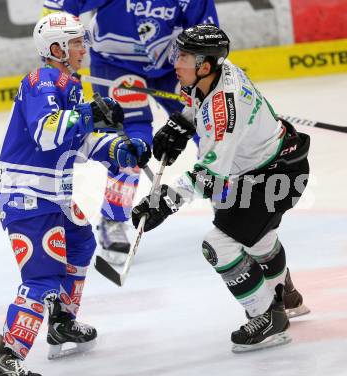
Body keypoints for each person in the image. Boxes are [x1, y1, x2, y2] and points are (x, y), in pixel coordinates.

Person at [131, 24, 310, 353]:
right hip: (271, 167)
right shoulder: (218, 72)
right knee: (258, 237)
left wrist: (162, 203)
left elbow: (210, 175)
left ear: (204, 64)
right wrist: (182, 123)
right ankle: (285, 297)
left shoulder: (223, 111)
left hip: (274, 178)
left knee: (219, 246)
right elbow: (198, 103)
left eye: (183, 56)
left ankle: (269, 319)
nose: (176, 62)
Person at [0, 12, 150, 376]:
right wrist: (89, 113)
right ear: (57, 48)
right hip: (25, 194)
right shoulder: (42, 80)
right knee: (42, 278)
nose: (84, 47)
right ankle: (6, 361)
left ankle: (61, 323)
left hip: (52, 192)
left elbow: (76, 142)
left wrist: (118, 151)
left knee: (80, 246)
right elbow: (47, 133)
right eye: (77, 41)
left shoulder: (68, 82)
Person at [42, 0, 219, 265]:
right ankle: (114, 217)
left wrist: (209, 82)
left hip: (175, 64)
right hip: (116, 65)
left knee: (210, 127)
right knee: (132, 143)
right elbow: (57, 8)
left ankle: (227, 196)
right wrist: (62, 62)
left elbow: (207, 34)